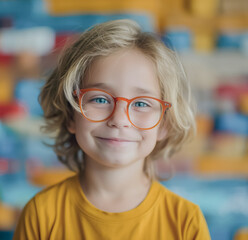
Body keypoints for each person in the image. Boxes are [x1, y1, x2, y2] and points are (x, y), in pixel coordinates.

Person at [13, 19, 211, 239]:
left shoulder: (185, 222)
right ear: (71, 114)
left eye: (141, 103)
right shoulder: (41, 214)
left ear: (165, 124)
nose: (119, 119)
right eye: (99, 99)